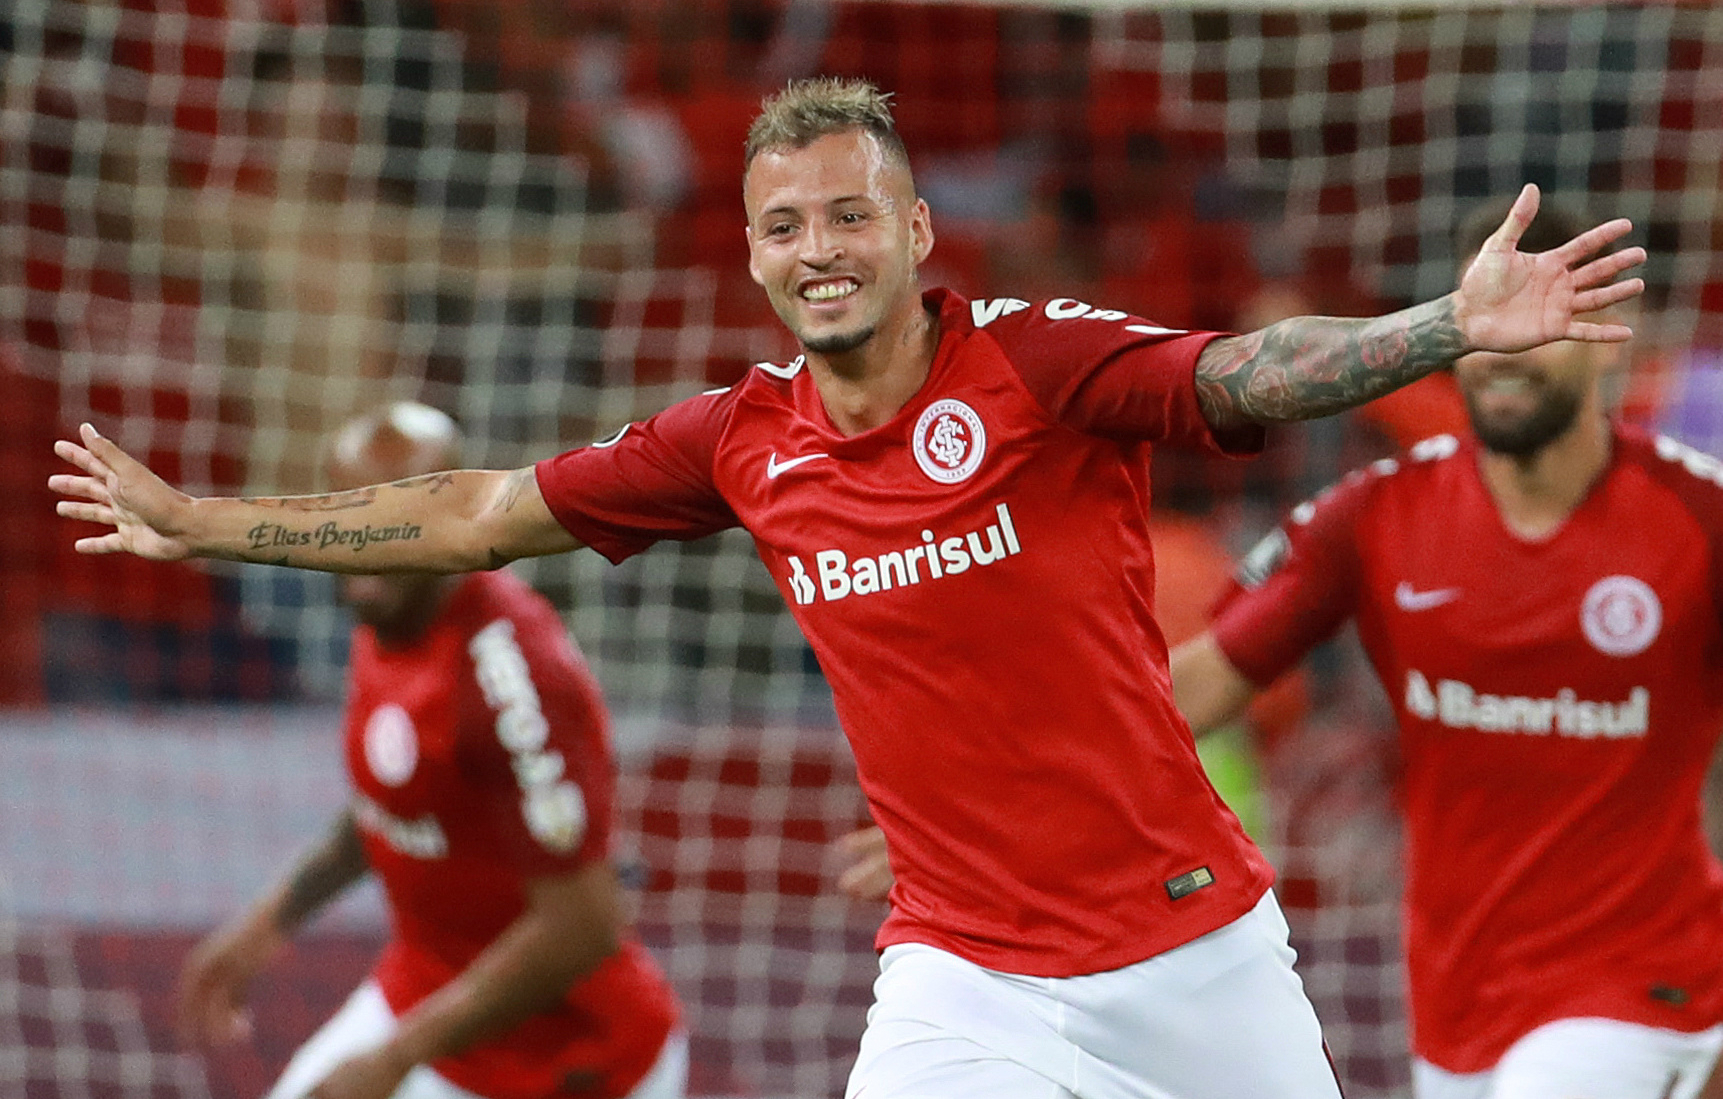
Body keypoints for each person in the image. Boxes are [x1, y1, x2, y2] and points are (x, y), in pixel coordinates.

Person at [56, 78, 1643, 1099]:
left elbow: (1246, 369)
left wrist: (1441, 329)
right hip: (960, 972)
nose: (816, 247)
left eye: (846, 214)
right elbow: (475, 514)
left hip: (1189, 951)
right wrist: (204, 523)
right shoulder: (737, 441)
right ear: (752, 256)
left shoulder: (1034, 363)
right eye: (782, 225)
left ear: (915, 230)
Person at [1166, 197, 1723, 1099]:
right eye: (1482, 320)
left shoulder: (1698, 519)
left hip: (1641, 982)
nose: (1504, 350)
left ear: (1604, 336)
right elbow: (1190, 690)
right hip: (1455, 998)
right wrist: (992, 787)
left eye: (1537, 318)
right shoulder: (1374, 515)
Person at [174, 402, 686, 1099]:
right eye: (348, 514)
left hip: (569, 1062)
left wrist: (392, 1061)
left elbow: (585, 926)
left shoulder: (511, 678)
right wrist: (264, 927)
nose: (367, 540)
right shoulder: (382, 615)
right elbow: (396, 800)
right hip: (424, 992)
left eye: (398, 516)